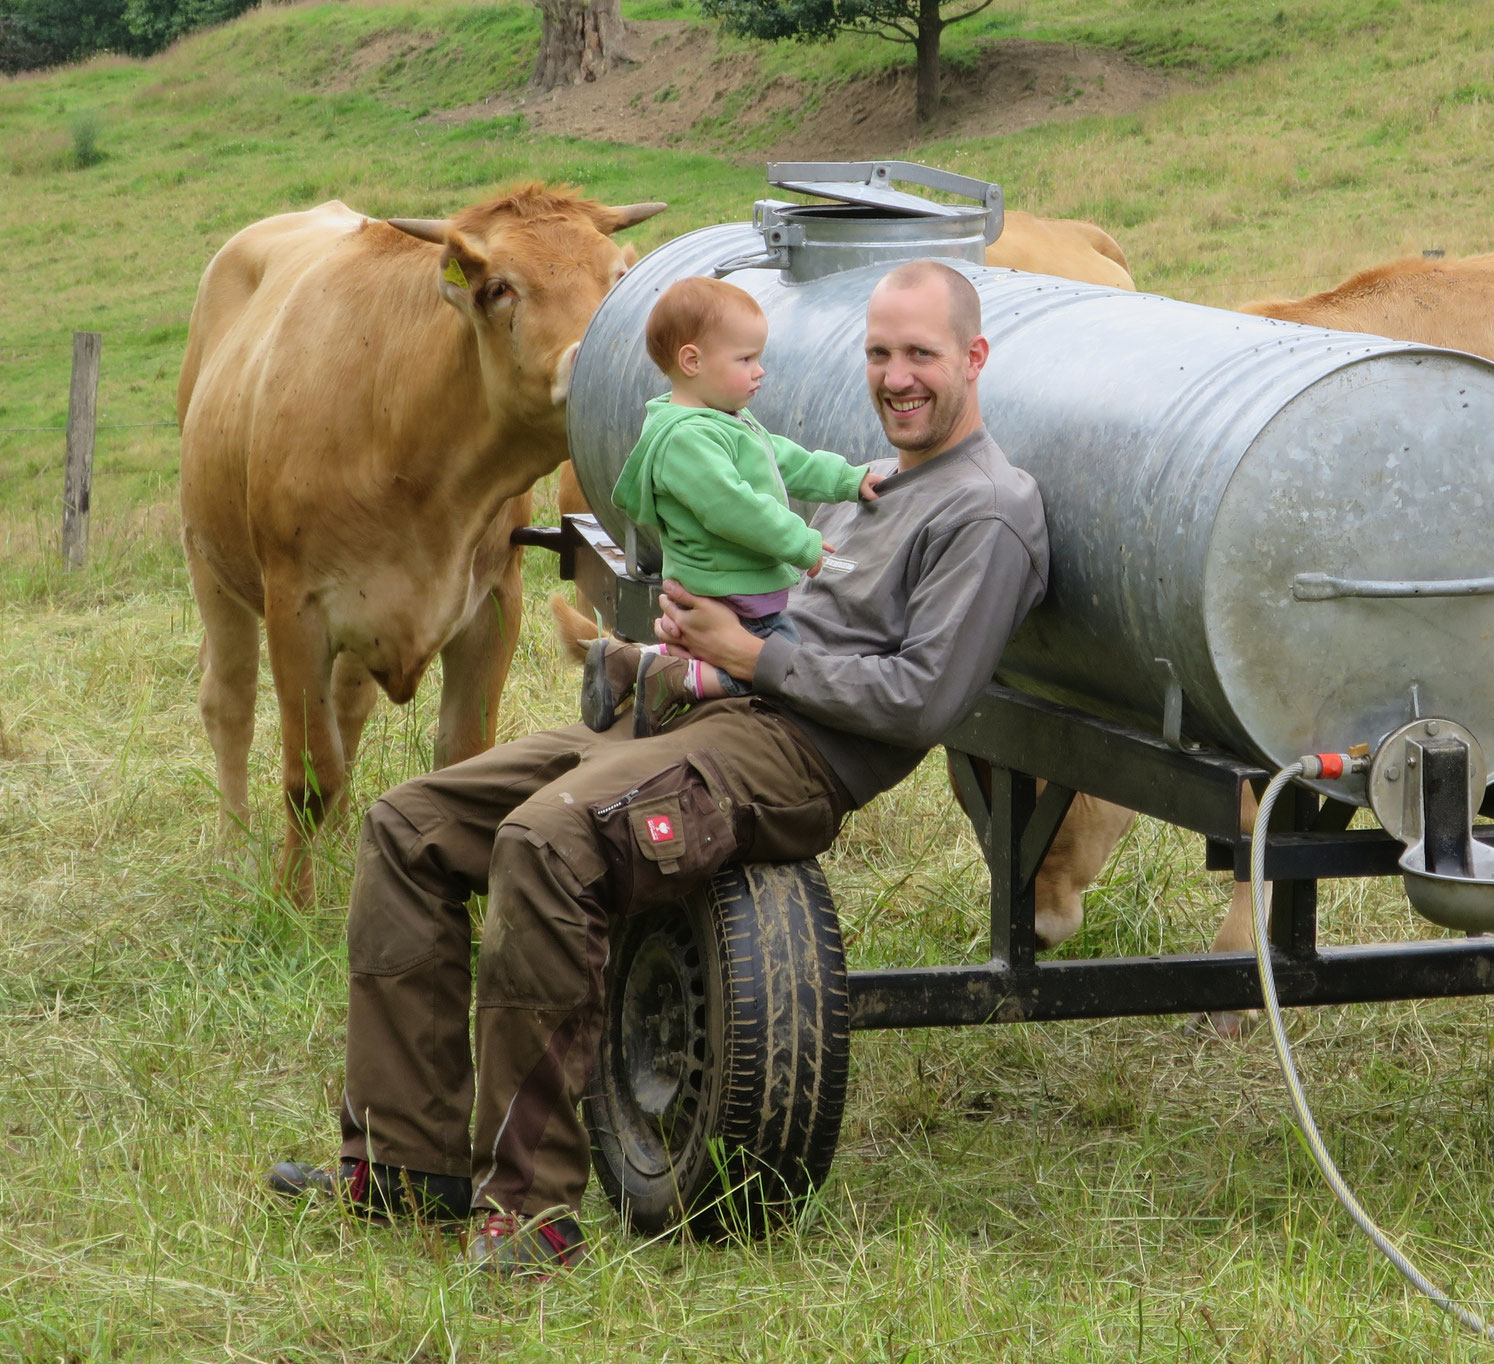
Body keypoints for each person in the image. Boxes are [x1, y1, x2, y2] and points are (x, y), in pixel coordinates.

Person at [264, 260, 1049, 1274]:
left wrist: (751, 656)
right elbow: (750, 573)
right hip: (685, 709)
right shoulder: (873, 482)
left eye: (920, 356)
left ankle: (530, 1213)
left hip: (787, 749)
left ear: (973, 359)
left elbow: (922, 700)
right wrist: (656, 637)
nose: (896, 377)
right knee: (411, 822)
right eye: (879, 353)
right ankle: (406, 1166)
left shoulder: (986, 511)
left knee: (546, 842)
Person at [581, 275, 884, 738]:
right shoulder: (686, 439)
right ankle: (669, 681)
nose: (759, 370)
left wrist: (846, 479)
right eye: (745, 359)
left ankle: (625, 662)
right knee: (773, 662)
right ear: (692, 361)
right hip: (726, 590)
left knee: (767, 655)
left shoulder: (723, 422)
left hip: (738, 588)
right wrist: (801, 544)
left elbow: (783, 460)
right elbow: (733, 508)